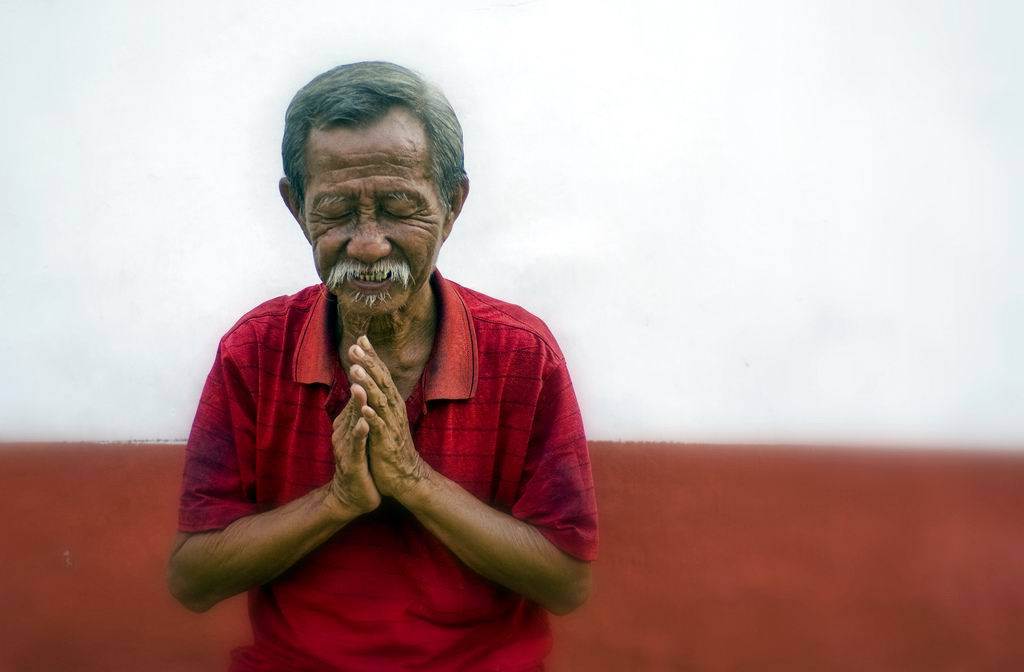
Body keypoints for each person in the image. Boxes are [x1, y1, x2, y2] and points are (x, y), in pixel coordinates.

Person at [167, 61, 598, 672]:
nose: (367, 242)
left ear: (453, 206)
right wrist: (339, 499)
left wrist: (412, 482)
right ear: (295, 208)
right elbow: (192, 579)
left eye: (399, 207)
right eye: (337, 210)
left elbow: (566, 584)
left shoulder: (522, 355)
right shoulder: (255, 350)